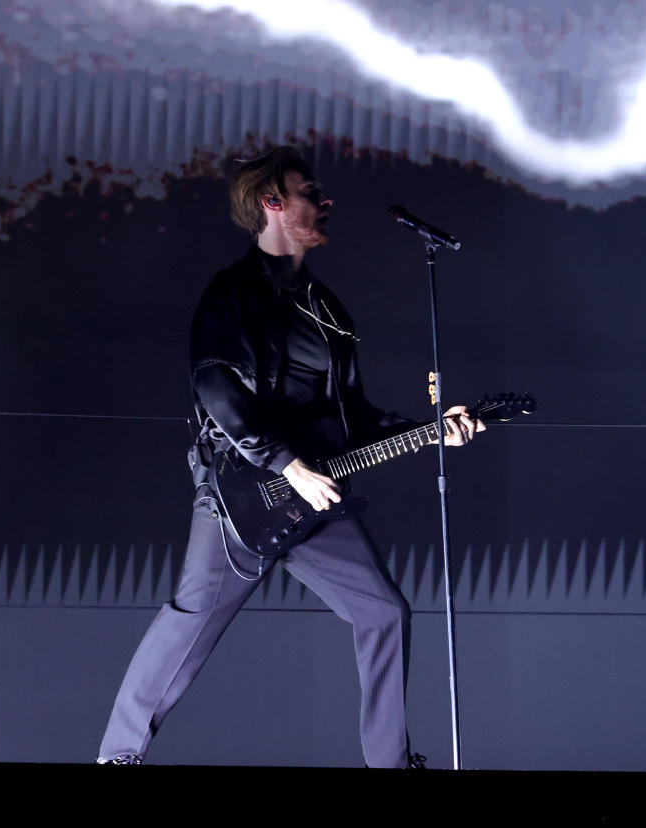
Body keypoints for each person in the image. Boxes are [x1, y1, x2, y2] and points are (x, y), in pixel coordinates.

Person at [97, 146, 484, 767]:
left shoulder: (329, 312)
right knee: (190, 621)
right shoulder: (232, 293)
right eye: (310, 191)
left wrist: (429, 428)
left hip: (315, 492)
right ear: (272, 204)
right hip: (242, 493)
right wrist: (284, 463)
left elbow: (352, 416)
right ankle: (116, 757)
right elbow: (214, 381)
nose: (324, 201)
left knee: (383, 612)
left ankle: (389, 763)